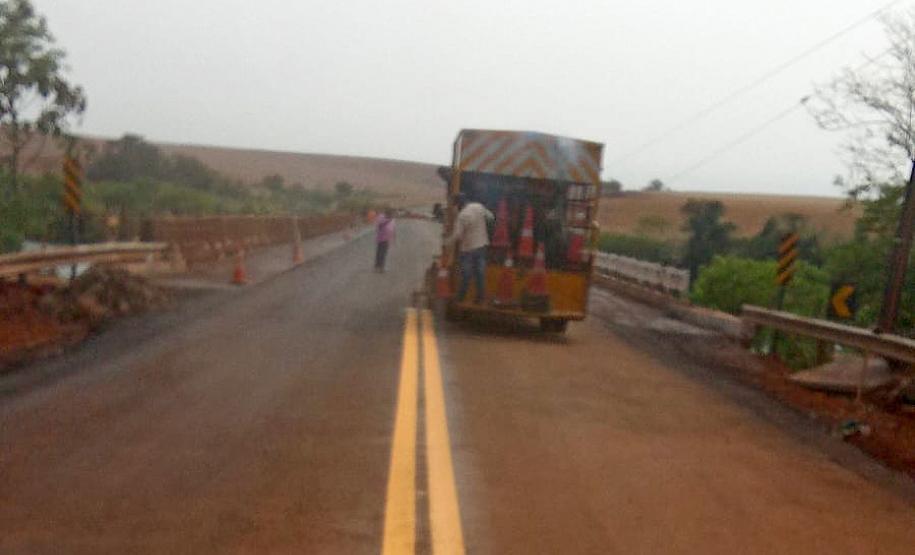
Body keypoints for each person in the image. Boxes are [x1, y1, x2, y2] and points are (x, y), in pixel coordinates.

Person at [446, 193, 494, 303]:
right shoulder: (478, 206)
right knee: (480, 274)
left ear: (458, 204)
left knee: (466, 275)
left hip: (467, 249)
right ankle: (480, 298)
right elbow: (491, 217)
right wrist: (488, 232)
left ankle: (461, 298)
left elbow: (457, 235)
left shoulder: (462, 215)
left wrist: (447, 242)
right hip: (482, 246)